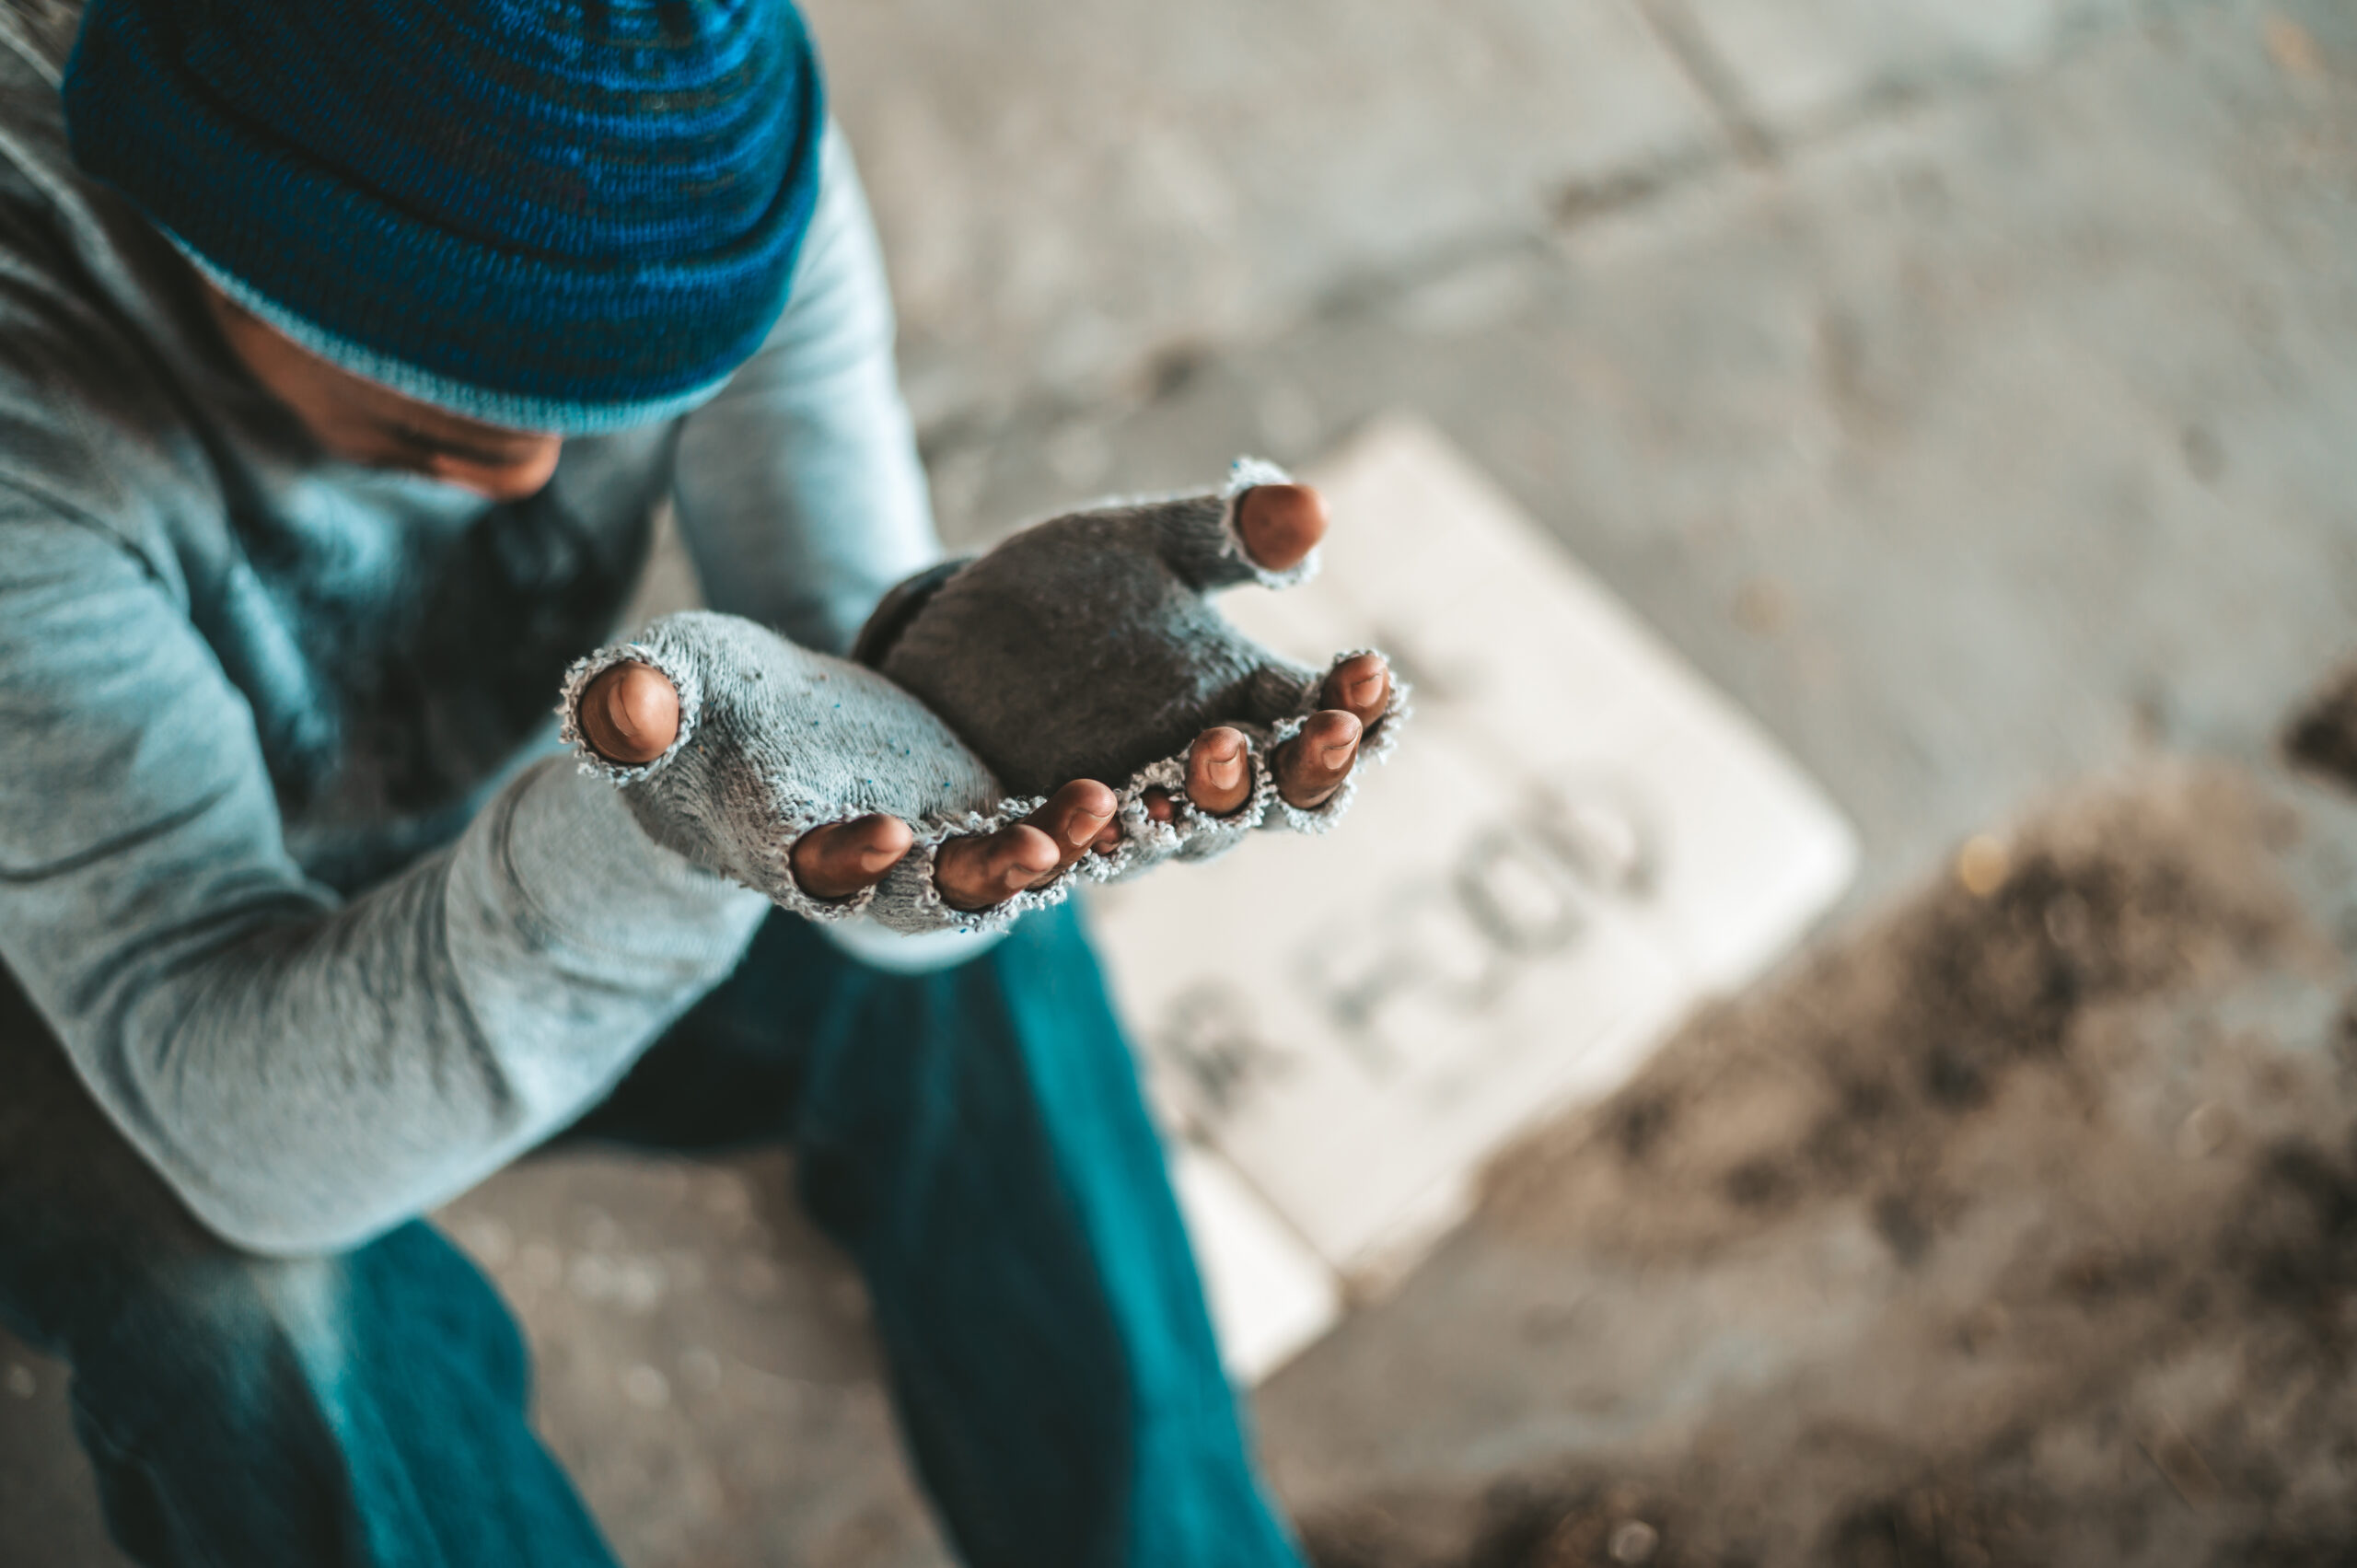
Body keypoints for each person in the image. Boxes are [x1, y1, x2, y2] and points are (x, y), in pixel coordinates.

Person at [0, 2, 1388, 1564]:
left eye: (599, 407)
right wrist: (671, 824)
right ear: (197, 208)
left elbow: (864, 773)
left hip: (456, 811)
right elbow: (247, 1130)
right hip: (67, 970)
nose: (527, 474)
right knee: (254, 1312)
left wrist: (952, 706)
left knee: (985, 858)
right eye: (434, 418)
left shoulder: (711, 155)